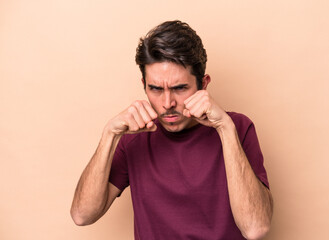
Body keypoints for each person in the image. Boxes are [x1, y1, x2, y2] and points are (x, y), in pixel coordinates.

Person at [70, 20, 273, 240]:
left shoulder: (238, 127)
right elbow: (82, 216)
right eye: (156, 89)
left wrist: (224, 128)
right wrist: (110, 134)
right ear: (144, 85)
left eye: (179, 88)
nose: (167, 103)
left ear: (203, 85)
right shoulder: (134, 139)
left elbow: (256, 229)